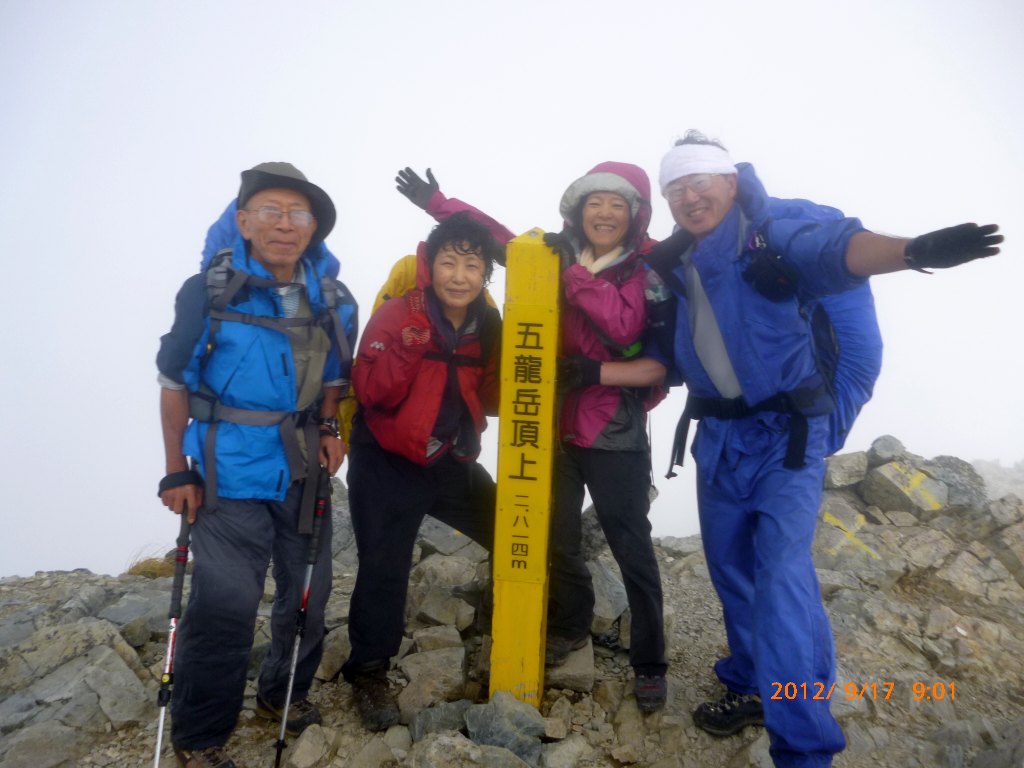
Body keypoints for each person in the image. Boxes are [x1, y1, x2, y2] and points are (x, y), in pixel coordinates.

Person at [594, 131, 1002, 768]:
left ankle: (804, 747)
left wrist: (913, 250)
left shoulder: (777, 228)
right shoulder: (677, 259)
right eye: (675, 187)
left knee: (782, 580)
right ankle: (754, 682)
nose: (689, 195)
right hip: (719, 439)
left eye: (700, 181)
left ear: (729, 181)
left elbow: (838, 251)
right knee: (730, 568)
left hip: (786, 439)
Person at [399, 164, 671, 712]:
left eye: (619, 205)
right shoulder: (557, 251)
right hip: (557, 426)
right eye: (595, 202)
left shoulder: (649, 268)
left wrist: (570, 275)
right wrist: (439, 204)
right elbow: (501, 240)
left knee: (630, 546)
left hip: (615, 429)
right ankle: (570, 626)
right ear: (578, 210)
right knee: (558, 536)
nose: (605, 214)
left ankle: (650, 662)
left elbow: (623, 329)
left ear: (636, 214)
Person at [156, 162, 358, 768]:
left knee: (308, 594)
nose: (284, 225)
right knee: (225, 604)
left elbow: (334, 376)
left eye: (298, 214)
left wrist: (329, 424)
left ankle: (282, 694)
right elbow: (173, 382)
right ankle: (201, 735)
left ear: (314, 227)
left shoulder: (331, 297)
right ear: (242, 221)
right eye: (269, 210)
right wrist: (176, 471)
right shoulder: (208, 292)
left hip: (302, 467)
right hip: (225, 473)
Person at [341, 210, 504, 731]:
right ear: (428, 266)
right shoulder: (396, 314)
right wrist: (412, 346)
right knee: (384, 565)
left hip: (449, 459)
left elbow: (497, 396)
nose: (460, 275)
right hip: (386, 459)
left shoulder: (490, 324)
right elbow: (371, 393)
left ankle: (515, 617)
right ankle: (367, 671)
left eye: (472, 265)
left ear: (485, 275)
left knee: (510, 525)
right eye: (449, 262)